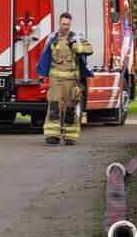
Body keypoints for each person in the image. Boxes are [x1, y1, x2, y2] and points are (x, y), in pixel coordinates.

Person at [35, 12, 93, 145]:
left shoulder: (76, 38)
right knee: (53, 106)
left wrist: (76, 47)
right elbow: (45, 57)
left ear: (70, 24)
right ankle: (52, 135)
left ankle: (70, 136)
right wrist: (42, 76)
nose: (65, 26)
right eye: (63, 24)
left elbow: (89, 49)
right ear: (59, 23)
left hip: (72, 81)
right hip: (55, 80)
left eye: (67, 24)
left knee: (70, 108)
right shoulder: (52, 38)